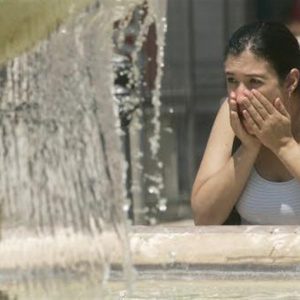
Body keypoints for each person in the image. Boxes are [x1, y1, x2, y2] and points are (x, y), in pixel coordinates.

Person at [191, 21, 300, 225]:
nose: (239, 96)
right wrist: (248, 149)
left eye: (255, 82)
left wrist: (285, 145)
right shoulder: (231, 111)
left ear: (291, 82)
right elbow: (204, 218)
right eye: (232, 80)